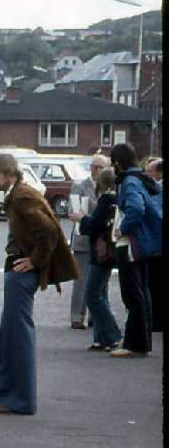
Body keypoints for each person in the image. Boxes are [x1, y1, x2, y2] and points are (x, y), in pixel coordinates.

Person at [0, 153, 79, 414]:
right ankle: (0, 392)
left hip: (22, 272)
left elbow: (50, 231)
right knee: (8, 336)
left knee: (18, 336)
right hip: (17, 269)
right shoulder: (18, 193)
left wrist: (34, 261)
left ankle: (20, 400)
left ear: (9, 174)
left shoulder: (22, 196)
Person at [108, 143, 162, 357]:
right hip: (146, 243)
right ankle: (139, 339)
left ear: (118, 163)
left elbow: (136, 208)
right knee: (143, 292)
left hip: (131, 244)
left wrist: (123, 228)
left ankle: (134, 343)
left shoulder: (129, 182)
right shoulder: (143, 178)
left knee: (132, 294)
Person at [71, 167, 122, 351]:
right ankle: (101, 337)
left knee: (92, 295)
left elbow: (95, 225)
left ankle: (113, 336)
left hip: (99, 254)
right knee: (102, 294)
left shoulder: (105, 199)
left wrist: (82, 218)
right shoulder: (116, 199)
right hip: (109, 252)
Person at [67, 154, 110, 329]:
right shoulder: (80, 186)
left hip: (101, 241)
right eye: (95, 166)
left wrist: (90, 217)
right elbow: (74, 211)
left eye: (101, 167)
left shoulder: (108, 188)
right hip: (83, 239)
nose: (97, 170)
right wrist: (91, 218)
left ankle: (96, 315)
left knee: (101, 282)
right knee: (81, 279)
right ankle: (77, 316)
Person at [146, 157, 164, 334]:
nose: (147, 175)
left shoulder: (159, 190)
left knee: (155, 284)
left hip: (157, 244)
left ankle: (156, 321)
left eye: (149, 172)